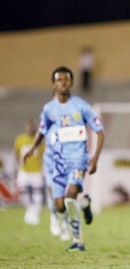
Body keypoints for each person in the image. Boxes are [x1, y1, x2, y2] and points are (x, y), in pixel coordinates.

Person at [23, 66, 105, 252]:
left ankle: (78, 241)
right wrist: (32, 149)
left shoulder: (82, 106)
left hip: (78, 159)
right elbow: (42, 131)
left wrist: (94, 159)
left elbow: (100, 131)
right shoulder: (49, 109)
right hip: (59, 163)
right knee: (59, 206)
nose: (63, 83)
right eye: (59, 80)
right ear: (53, 84)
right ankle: (84, 203)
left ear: (71, 82)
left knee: (69, 197)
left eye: (66, 80)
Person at [14, 119, 45, 225]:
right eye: (29, 127)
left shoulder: (39, 141)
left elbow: (44, 155)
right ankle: (29, 211)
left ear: (35, 127)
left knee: (37, 194)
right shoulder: (20, 139)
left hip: (36, 171)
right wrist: (17, 166)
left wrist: (44, 169)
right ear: (26, 127)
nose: (30, 129)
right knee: (23, 193)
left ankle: (36, 214)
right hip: (24, 171)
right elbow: (16, 154)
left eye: (32, 127)